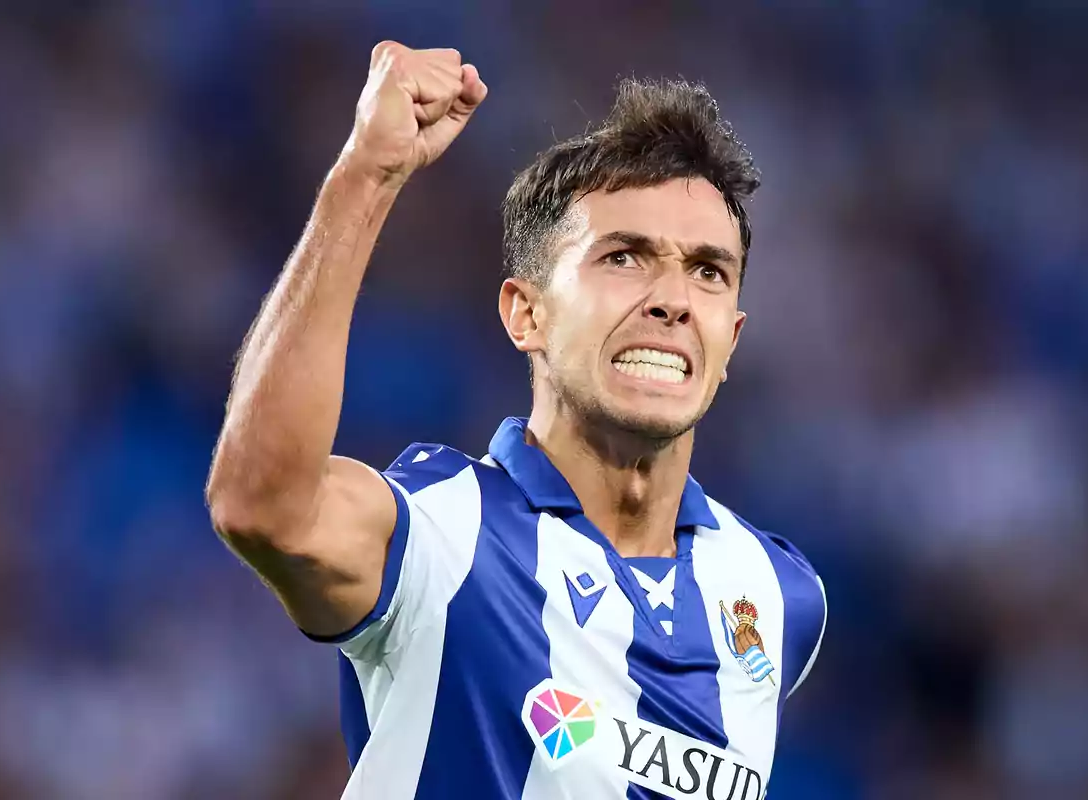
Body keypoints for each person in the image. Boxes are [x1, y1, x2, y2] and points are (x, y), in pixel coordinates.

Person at [206, 40, 826, 800]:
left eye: (707, 271)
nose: (671, 301)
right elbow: (260, 505)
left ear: (729, 339)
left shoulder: (777, 595)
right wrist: (367, 175)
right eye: (623, 257)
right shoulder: (447, 534)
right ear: (525, 313)